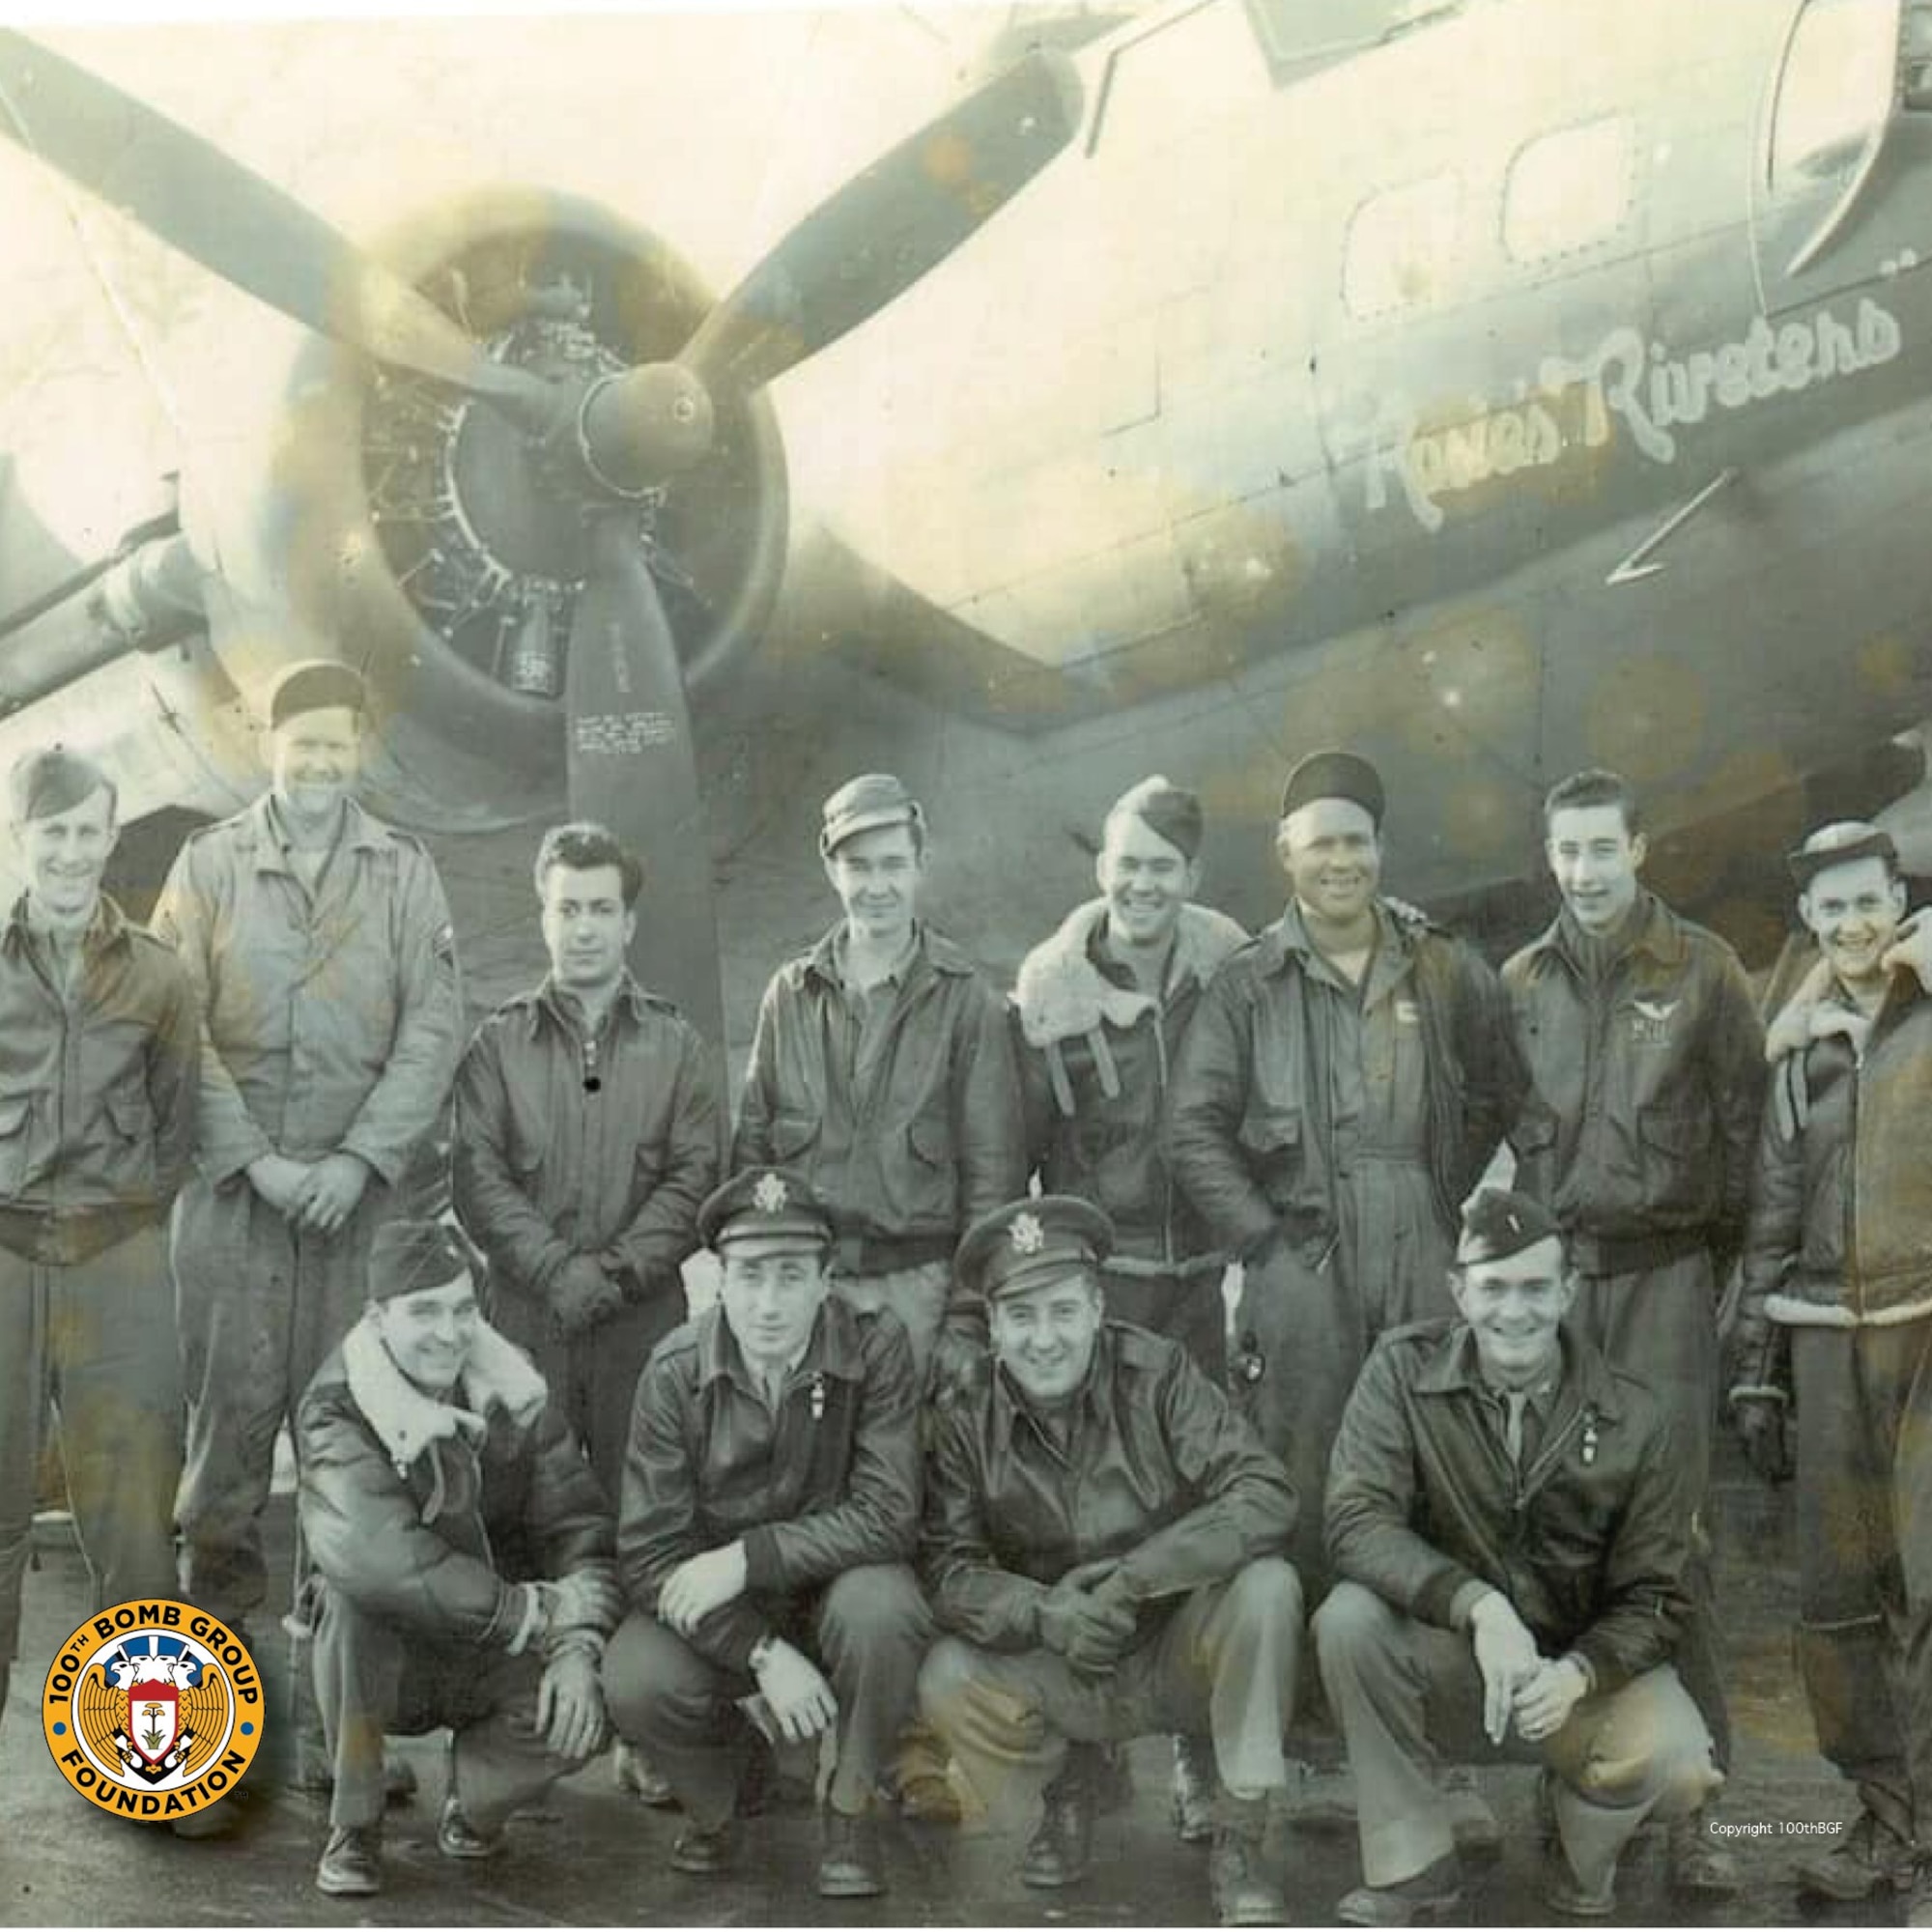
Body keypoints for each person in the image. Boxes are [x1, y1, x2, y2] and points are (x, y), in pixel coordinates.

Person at [154, 659, 463, 1636]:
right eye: (302, 745)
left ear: (356, 749)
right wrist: (256, 1158)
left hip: (358, 1208)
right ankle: (218, 1698)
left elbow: (434, 1024)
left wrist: (358, 1160)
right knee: (225, 1447)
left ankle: (340, 1719)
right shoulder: (208, 864)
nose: (319, 762)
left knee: (353, 1446)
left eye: (335, 743)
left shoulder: (405, 870)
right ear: (269, 747)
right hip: (236, 1201)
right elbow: (173, 1022)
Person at [1167, 748, 1522, 1591]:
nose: (1340, 861)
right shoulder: (1248, 983)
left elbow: (1499, 1087)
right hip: (1301, 1252)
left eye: (1356, 842)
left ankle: (1423, 1662)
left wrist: (1437, 1188)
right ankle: (1311, 1684)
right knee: (1302, 1457)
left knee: (1438, 1442)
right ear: (1286, 855)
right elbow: (1191, 1129)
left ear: (1380, 851)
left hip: (1422, 1242)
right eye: (1320, 844)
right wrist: (1262, 1242)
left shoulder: (1441, 965)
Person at [1316, 1187, 1719, 1925]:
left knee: (1680, 1763)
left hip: (1574, 1683)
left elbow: (1658, 1594)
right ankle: (1415, 1865)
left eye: (1536, 1288)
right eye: (1493, 1288)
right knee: (1349, 1622)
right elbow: (1354, 1519)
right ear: (1458, 1292)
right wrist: (1478, 1606)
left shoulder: (1639, 1414)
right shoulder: (1399, 1373)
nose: (1515, 1311)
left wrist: (1580, 1672)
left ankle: (1580, 1844)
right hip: (1453, 1661)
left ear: (1568, 1292)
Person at [1501, 767, 1762, 1896]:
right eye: (1564, 851)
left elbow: (1750, 1147)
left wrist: (1720, 1285)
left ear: (1640, 848)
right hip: (1562, 1290)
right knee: (1549, 1516)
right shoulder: (1518, 980)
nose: (1582, 871)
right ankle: (1558, 1783)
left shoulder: (1703, 968)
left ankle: (1700, 1804)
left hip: (1663, 1281)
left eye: (1601, 849)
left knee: (1675, 1536)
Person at [917, 1196, 1303, 1928]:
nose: (1044, 1339)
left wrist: (1136, 1578)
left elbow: (1264, 1492)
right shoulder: (967, 1412)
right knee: (945, 1675)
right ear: (993, 1326)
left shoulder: (1158, 1375)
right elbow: (947, 1568)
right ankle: (1069, 1787)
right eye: (1020, 1318)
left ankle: (1241, 1830)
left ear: (1098, 1307)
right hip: (1064, 1657)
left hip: (1172, 1648)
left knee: (1267, 1590)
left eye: (1063, 1312)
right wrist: (1048, 1614)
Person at [1010, 774, 1246, 1840]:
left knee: (1192, 1513)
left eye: (1162, 864)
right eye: (1124, 861)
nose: (1140, 882)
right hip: (1100, 1298)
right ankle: (1086, 1745)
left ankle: (1198, 1750)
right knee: (1081, 1513)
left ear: (1190, 877)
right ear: (1097, 866)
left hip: (1198, 1292)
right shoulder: (1048, 987)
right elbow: (1020, 1150)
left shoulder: (1232, 970)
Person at [601, 1168, 930, 1900]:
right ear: (720, 1280)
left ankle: (850, 1807)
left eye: (790, 1277)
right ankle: (722, 1801)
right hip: (736, 1622)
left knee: (886, 1608)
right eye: (750, 1276)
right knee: (635, 1674)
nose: (769, 1303)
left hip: (833, 1596)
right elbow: (650, 1557)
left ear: (826, 1279)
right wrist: (759, 1650)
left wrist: (751, 1557)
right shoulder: (675, 1371)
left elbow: (890, 1513)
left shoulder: (876, 1351)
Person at [1730, 822, 1932, 1918]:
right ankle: (1884, 1815)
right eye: (1827, 907)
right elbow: (1766, 1215)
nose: (1849, 923)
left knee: (1930, 1583)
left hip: (1927, 1331)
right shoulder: (1795, 1052)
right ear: (1805, 917)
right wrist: (1752, 1368)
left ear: (1896, 897)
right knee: (1839, 1595)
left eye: (1866, 900)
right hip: (1820, 1339)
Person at [296, 1218, 621, 1897]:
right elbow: (384, 1559)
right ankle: (355, 1824)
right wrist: (532, 1610)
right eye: (425, 1311)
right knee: (350, 1605)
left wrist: (577, 1644)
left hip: (488, 1648)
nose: (450, 1332)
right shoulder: (334, 1406)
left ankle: (473, 1803)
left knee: (611, 1686)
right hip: (390, 1657)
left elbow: (579, 1524)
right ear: (376, 1317)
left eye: (464, 1309)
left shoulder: (516, 1391)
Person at [0, 747, 198, 1727]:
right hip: (1, 1254)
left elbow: (178, 1127)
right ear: (19, 838)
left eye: (89, 831)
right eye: (53, 832)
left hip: (117, 1259)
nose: (72, 852)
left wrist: (115, 1216)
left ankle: (146, 1752)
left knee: (131, 1520)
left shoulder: (159, 976)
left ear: (111, 837)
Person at [451, 820, 719, 1502]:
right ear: (544, 918)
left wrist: (612, 1275)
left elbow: (696, 1177)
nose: (585, 928)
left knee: (644, 1502)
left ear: (629, 925)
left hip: (640, 1321)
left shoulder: (677, 1043)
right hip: (527, 1319)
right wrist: (555, 1272)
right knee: (522, 1503)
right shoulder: (498, 1044)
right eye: (568, 909)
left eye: (602, 909)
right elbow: (478, 1179)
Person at [733, 773, 1025, 1378]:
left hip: (919, 1291)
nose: (877, 886)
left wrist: (967, 1319)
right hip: (808, 1289)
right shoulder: (790, 995)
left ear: (921, 865)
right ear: (832, 870)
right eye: (859, 867)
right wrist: (759, 1286)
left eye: (893, 865)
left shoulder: (967, 1000)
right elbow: (752, 1155)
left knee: (912, 1466)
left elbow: (993, 1178)